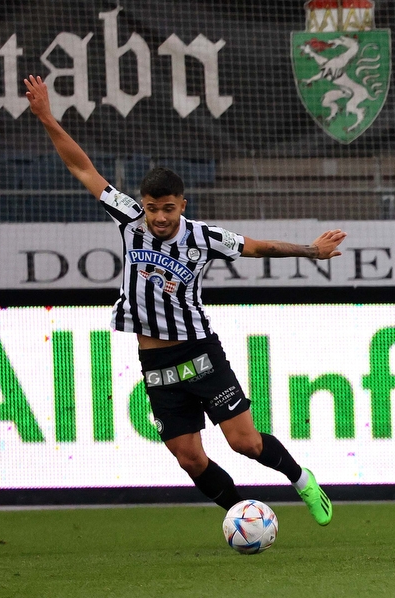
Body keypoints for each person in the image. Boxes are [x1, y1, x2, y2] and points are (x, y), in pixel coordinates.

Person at [24, 75, 342, 524]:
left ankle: (301, 479)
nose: (157, 217)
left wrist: (312, 251)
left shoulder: (203, 237)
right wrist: (46, 118)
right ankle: (243, 517)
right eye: (152, 208)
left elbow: (259, 248)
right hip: (156, 365)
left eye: (167, 208)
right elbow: (82, 168)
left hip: (200, 353)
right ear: (143, 205)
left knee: (245, 443)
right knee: (188, 456)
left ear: (182, 205)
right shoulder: (129, 221)